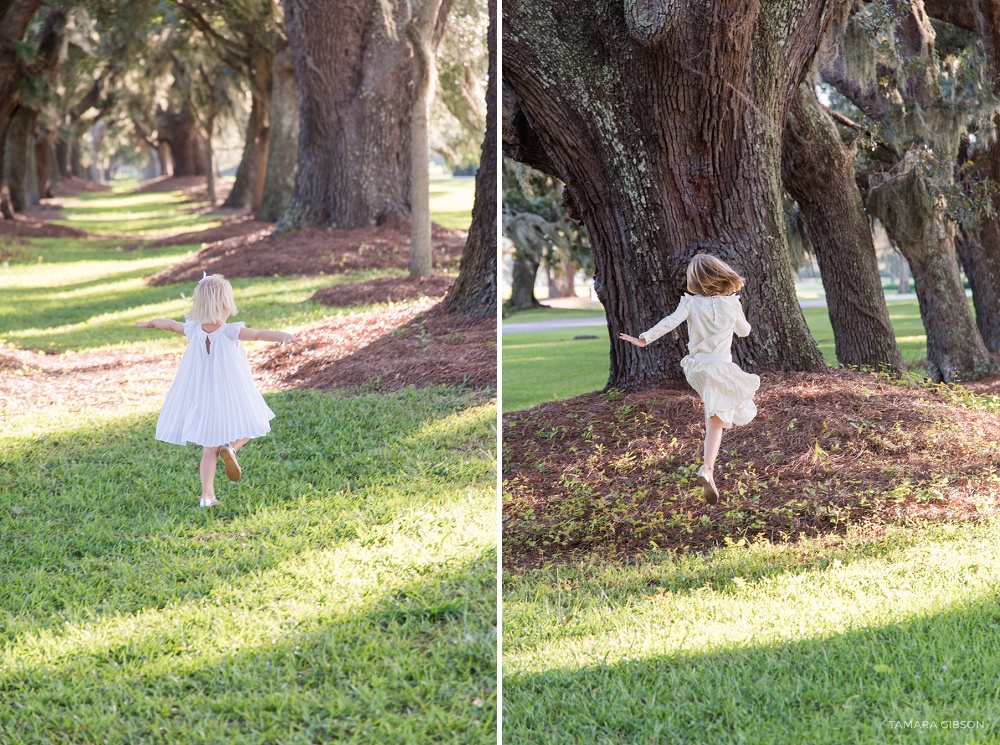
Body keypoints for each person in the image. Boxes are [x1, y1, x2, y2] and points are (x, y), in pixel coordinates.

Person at [136, 273, 299, 508]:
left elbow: (170, 325)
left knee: (208, 447)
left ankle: (207, 496)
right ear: (225, 304)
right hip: (232, 391)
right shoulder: (230, 330)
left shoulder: (193, 330)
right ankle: (231, 447)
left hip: (203, 395)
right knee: (257, 421)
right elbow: (258, 334)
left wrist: (151, 322)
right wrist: (283, 336)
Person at [620, 254, 760, 504]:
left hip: (697, 368)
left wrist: (644, 339)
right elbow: (744, 331)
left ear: (695, 280)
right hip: (719, 367)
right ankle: (707, 468)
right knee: (716, 421)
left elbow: (670, 322)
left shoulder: (691, 304)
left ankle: (708, 469)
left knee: (717, 417)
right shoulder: (732, 304)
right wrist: (733, 313)